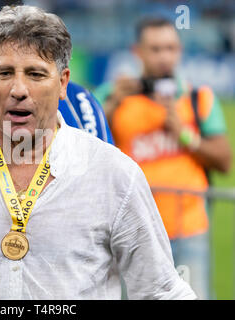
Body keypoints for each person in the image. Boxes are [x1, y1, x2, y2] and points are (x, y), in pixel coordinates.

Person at [0, 5, 196, 300]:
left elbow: (162, 291)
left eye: (35, 74)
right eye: (4, 73)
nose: (18, 90)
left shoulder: (115, 174)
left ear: (62, 83)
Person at [93, 17, 232, 299]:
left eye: (170, 48)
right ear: (138, 52)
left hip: (187, 226)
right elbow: (86, 152)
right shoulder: (113, 96)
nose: (164, 57)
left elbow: (225, 160)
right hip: (130, 231)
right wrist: (109, 106)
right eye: (155, 49)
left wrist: (184, 135)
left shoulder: (197, 97)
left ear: (179, 50)